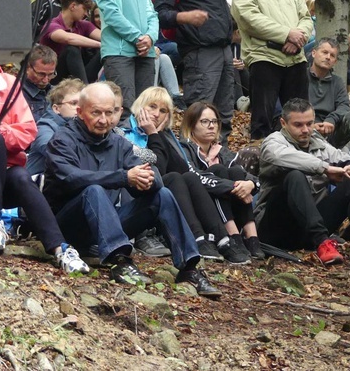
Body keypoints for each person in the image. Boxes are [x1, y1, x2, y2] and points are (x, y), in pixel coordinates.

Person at [45, 83, 221, 295]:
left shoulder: (118, 143)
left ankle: (189, 268)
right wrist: (124, 177)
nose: (103, 120)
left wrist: (147, 180)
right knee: (93, 190)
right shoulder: (63, 139)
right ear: (80, 112)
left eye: (109, 113)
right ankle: (119, 261)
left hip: (106, 224)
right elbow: (71, 178)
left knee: (162, 194)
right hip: (69, 225)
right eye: (96, 113)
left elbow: (143, 173)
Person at [0, 65, 89, 274]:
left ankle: (60, 247)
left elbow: (27, 133)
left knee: (20, 176)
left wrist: (0, 128)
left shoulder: (7, 83)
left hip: (1, 176)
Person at [123, 88, 252, 264]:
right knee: (175, 178)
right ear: (140, 107)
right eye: (152, 106)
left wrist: (159, 134)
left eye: (163, 111)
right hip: (141, 199)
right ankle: (197, 238)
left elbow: (185, 169)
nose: (156, 114)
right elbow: (156, 172)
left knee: (189, 177)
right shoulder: (125, 134)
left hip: (170, 198)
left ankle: (223, 239)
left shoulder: (166, 136)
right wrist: (153, 134)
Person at [254, 98, 350, 265]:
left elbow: (349, 159)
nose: (306, 130)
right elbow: (280, 156)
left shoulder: (319, 144)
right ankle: (322, 242)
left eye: (310, 123)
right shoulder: (273, 142)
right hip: (275, 228)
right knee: (295, 175)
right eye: (298, 125)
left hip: (309, 229)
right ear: (283, 123)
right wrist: (325, 168)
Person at [155, 0, 239, 140]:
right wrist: (185, 17)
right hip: (199, 51)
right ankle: (192, 161)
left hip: (223, 48)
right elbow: (160, 15)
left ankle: (221, 158)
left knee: (224, 111)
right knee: (200, 111)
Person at [230, 0, 313, 140]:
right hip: (264, 57)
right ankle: (261, 161)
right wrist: (287, 34)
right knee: (263, 119)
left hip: (295, 59)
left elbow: (306, 18)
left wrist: (297, 39)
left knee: (299, 115)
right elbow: (251, 19)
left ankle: (299, 158)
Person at [180, 102, 265, 260]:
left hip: (230, 207)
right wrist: (232, 186)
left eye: (214, 121)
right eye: (204, 122)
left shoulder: (222, 152)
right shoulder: (184, 149)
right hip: (204, 212)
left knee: (236, 171)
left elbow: (248, 176)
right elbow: (195, 177)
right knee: (218, 171)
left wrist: (250, 184)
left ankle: (252, 238)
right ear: (191, 125)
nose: (211, 126)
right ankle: (234, 237)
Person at [93, 0, 159, 120]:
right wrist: (138, 37)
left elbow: (152, 14)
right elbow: (111, 13)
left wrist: (150, 37)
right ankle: (128, 150)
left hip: (144, 51)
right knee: (126, 108)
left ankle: (147, 149)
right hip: (119, 51)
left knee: (146, 109)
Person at [40, 0, 101, 84]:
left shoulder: (84, 25)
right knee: (71, 49)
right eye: (84, 9)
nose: (86, 14)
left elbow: (105, 37)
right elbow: (68, 39)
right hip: (53, 76)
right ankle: (83, 89)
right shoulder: (51, 25)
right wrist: (100, 44)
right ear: (73, 6)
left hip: (79, 75)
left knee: (105, 50)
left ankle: (87, 86)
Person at [26, 78, 84, 175]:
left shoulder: (86, 127)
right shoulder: (44, 126)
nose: (79, 108)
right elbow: (53, 150)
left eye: (83, 104)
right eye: (73, 103)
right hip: (39, 184)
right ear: (56, 108)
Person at [307, 38, 350, 146]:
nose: (328, 57)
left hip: (331, 131)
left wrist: (331, 120)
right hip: (304, 128)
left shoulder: (337, 82)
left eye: (332, 55)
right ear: (314, 53)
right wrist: (310, 125)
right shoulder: (300, 77)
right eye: (324, 52)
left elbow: (344, 106)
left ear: (335, 62)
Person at [22, 45, 58, 122]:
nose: (46, 80)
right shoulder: (16, 94)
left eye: (51, 74)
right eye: (41, 74)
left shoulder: (57, 92)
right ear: (28, 68)